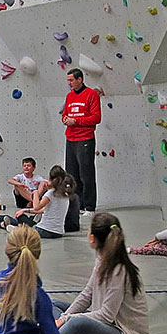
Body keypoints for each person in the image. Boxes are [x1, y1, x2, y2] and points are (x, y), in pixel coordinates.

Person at [53, 213, 149, 334]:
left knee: (76, 324)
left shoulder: (118, 270)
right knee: (52, 304)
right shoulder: (102, 259)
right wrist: (63, 318)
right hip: (104, 323)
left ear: (92, 238)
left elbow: (107, 316)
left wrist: (66, 319)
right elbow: (87, 294)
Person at [62, 68, 101, 231]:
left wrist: (75, 121)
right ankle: (79, 205)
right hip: (70, 138)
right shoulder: (69, 96)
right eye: (68, 80)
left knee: (86, 173)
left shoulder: (92, 94)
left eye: (71, 80)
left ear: (80, 79)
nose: (69, 83)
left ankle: (90, 207)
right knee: (72, 174)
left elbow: (96, 118)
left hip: (85, 138)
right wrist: (65, 119)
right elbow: (65, 114)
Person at [12, 166, 75, 239]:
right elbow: (45, 210)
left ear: (50, 178)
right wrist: (26, 210)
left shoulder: (51, 193)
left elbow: (36, 207)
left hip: (44, 230)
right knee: (26, 219)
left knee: (21, 219)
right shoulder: (65, 194)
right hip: (59, 232)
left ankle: (15, 229)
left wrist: (35, 193)